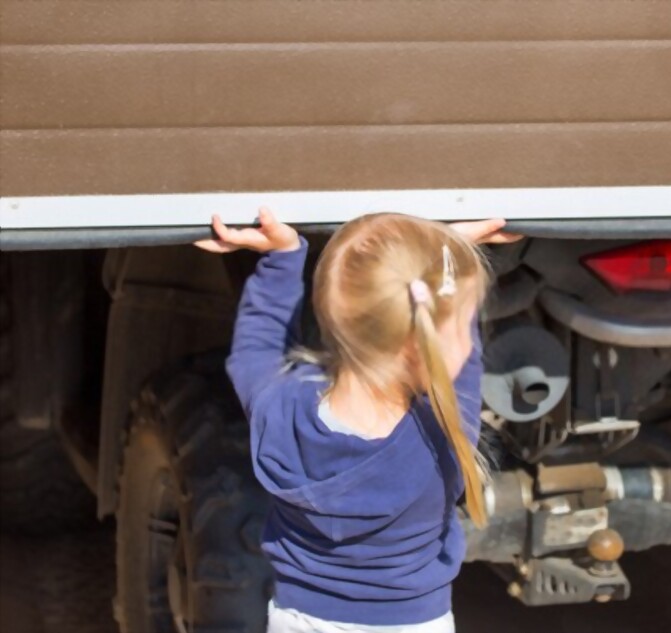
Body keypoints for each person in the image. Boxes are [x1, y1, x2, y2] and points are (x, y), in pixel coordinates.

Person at [195, 209, 520, 633]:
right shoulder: (441, 437)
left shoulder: (281, 411)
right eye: (462, 325)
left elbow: (255, 351)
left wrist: (283, 257)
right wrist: (449, 251)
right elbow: (462, 370)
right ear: (426, 343)